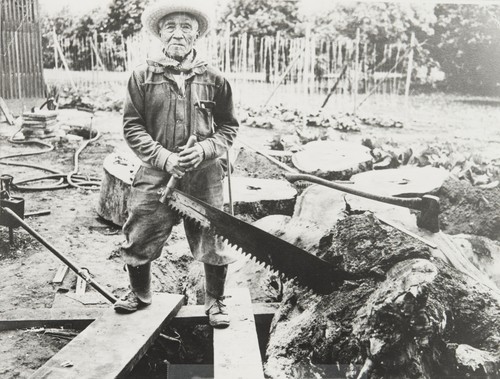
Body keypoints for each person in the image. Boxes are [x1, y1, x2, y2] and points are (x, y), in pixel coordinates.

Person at [113, 0, 239, 329]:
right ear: (159, 34)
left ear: (196, 34)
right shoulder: (141, 77)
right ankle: (140, 294)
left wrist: (207, 149)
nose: (178, 34)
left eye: (186, 27)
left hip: (204, 174)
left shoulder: (214, 77)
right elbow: (131, 127)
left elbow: (229, 127)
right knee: (140, 231)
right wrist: (164, 158)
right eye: (171, 27)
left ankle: (215, 300)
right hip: (156, 171)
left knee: (212, 237)